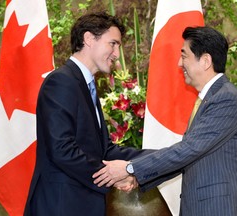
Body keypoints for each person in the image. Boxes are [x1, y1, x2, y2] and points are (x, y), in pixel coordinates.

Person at [93, 26, 237, 216]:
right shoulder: (209, 99)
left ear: (205, 60)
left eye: (184, 56)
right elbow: (190, 156)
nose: (179, 63)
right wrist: (137, 177)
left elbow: (188, 151)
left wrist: (130, 168)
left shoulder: (226, 98)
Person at [24, 12, 150, 216]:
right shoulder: (61, 82)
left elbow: (104, 151)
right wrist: (114, 176)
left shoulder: (85, 86)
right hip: (61, 206)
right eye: (113, 43)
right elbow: (62, 149)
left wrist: (164, 156)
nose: (117, 53)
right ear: (89, 39)